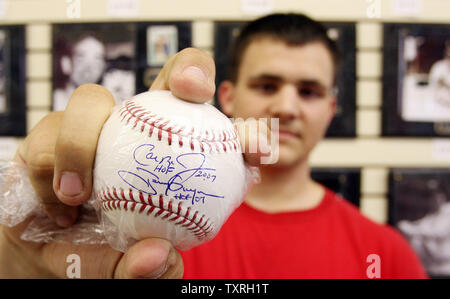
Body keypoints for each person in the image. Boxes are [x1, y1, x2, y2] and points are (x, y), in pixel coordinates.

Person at [0, 13, 426, 278]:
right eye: (266, 84)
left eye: (309, 91)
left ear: (331, 109)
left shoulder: (385, 256)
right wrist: (16, 263)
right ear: (226, 96)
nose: (286, 106)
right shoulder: (122, 235)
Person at [53, 34, 107, 111]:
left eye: (97, 59)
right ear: (66, 61)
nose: (88, 67)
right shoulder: (56, 99)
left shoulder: (109, 102)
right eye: (81, 57)